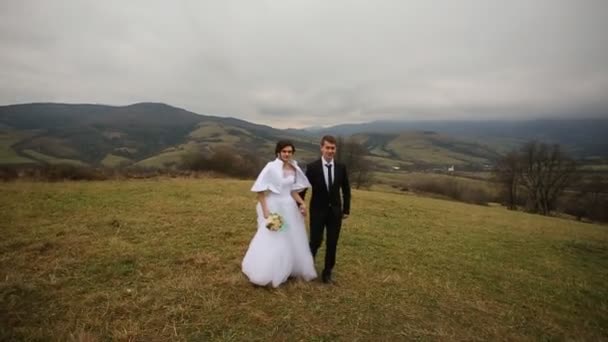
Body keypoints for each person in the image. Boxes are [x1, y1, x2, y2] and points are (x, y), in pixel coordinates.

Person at [241, 140, 317, 287]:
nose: (287, 154)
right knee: (274, 236)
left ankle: (289, 267)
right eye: (284, 151)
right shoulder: (271, 167)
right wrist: (265, 210)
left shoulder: (294, 168)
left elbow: (293, 191)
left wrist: (302, 203)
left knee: (292, 237)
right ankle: (268, 270)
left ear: (292, 153)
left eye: (289, 151)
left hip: (289, 207)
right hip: (274, 206)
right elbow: (260, 190)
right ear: (278, 152)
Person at [303, 135, 351, 284]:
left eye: (333, 148)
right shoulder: (312, 167)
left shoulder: (341, 167)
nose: (330, 151)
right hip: (317, 211)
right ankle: (308, 269)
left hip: (335, 212)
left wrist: (346, 209)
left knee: (332, 242)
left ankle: (327, 273)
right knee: (315, 241)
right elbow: (303, 189)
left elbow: (346, 189)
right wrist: (299, 204)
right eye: (327, 147)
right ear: (321, 148)